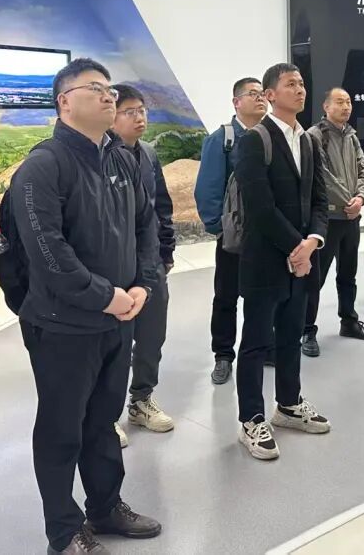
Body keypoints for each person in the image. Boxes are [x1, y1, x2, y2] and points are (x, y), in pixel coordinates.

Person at [11, 58, 161, 555]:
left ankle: (105, 506)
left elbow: (145, 226)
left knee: (103, 420)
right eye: (94, 88)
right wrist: (107, 297)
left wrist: (141, 285)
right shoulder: (43, 166)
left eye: (109, 88)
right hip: (64, 325)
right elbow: (48, 252)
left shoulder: (120, 159)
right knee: (62, 428)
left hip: (119, 317)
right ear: (64, 102)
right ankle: (63, 530)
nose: (108, 95)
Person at [235, 63, 330, 461]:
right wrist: (297, 248)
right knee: (257, 343)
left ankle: (288, 404)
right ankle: (251, 419)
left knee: (291, 335)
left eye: (302, 83)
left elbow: (320, 199)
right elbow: (260, 207)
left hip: (302, 261)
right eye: (291, 84)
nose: (300, 89)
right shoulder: (255, 140)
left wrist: (313, 241)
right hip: (265, 261)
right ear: (270, 95)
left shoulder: (308, 141)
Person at [111, 84, 176, 437]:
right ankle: (105, 414)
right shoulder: (102, 157)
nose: (139, 118)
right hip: (115, 266)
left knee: (152, 336)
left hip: (150, 263)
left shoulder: (148, 154)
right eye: (130, 112)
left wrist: (166, 253)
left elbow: (161, 206)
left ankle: (141, 400)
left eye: (142, 110)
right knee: (116, 343)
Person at [194, 77, 268, 385]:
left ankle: (262, 348)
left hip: (267, 235)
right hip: (234, 235)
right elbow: (208, 187)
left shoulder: (270, 136)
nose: (260, 98)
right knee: (226, 296)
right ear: (236, 102)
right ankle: (223, 354)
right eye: (252, 94)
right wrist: (220, 228)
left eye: (262, 93)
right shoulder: (223, 139)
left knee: (262, 296)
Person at [303, 88, 364, 356]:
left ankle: (349, 321)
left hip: (351, 218)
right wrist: (350, 201)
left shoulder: (351, 135)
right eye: (340, 102)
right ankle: (307, 330)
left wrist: (361, 198)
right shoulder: (314, 136)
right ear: (326, 106)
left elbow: (363, 169)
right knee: (316, 278)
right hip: (327, 219)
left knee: (348, 273)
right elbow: (322, 175)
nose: (346, 106)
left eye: (348, 101)